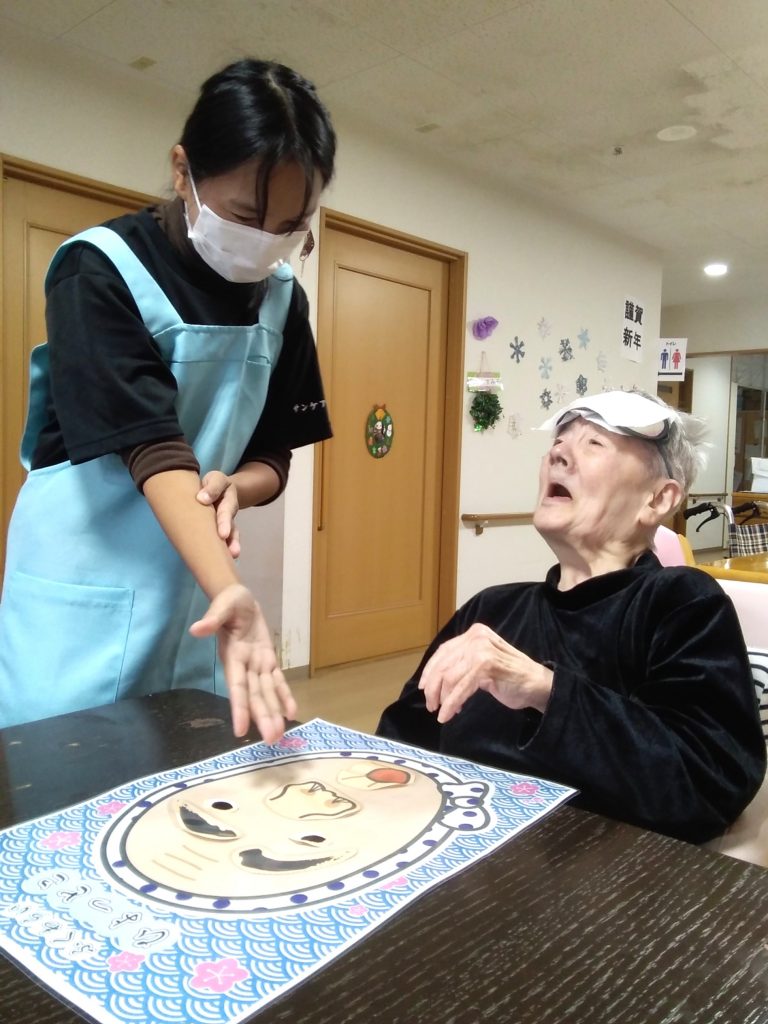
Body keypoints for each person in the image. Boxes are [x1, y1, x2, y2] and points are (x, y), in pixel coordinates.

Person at [0, 59, 336, 743]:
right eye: (245, 216)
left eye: (290, 224)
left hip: (194, 590)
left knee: (180, 763)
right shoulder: (99, 268)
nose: (264, 242)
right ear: (183, 172)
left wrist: (239, 486)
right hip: (86, 592)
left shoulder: (282, 302)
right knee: (63, 769)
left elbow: (272, 455)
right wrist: (230, 589)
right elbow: (152, 448)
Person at [378, 390, 767, 844]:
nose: (558, 454)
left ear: (658, 499)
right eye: (559, 441)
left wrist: (544, 690)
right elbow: (399, 745)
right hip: (452, 850)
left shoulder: (680, 602)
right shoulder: (491, 610)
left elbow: (708, 785)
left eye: (594, 443)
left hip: (601, 876)